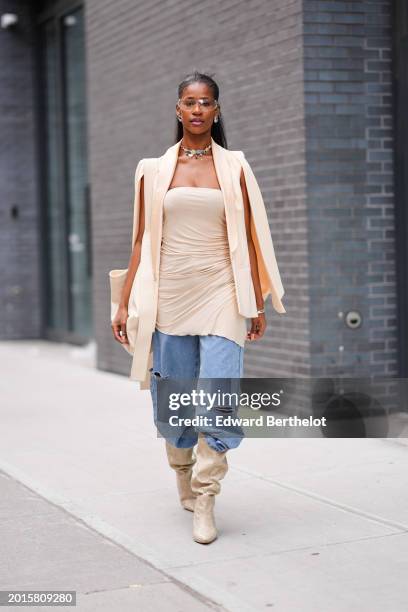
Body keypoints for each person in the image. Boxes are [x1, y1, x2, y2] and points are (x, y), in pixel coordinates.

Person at [112, 71, 285, 545]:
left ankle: (206, 496)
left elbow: (249, 238)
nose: (197, 110)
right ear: (177, 109)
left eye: (205, 102)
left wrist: (255, 301)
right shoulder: (152, 169)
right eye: (189, 102)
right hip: (169, 293)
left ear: (217, 110)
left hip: (223, 292)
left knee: (217, 393)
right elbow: (141, 238)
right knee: (175, 399)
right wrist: (124, 302)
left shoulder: (235, 168)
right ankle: (183, 473)